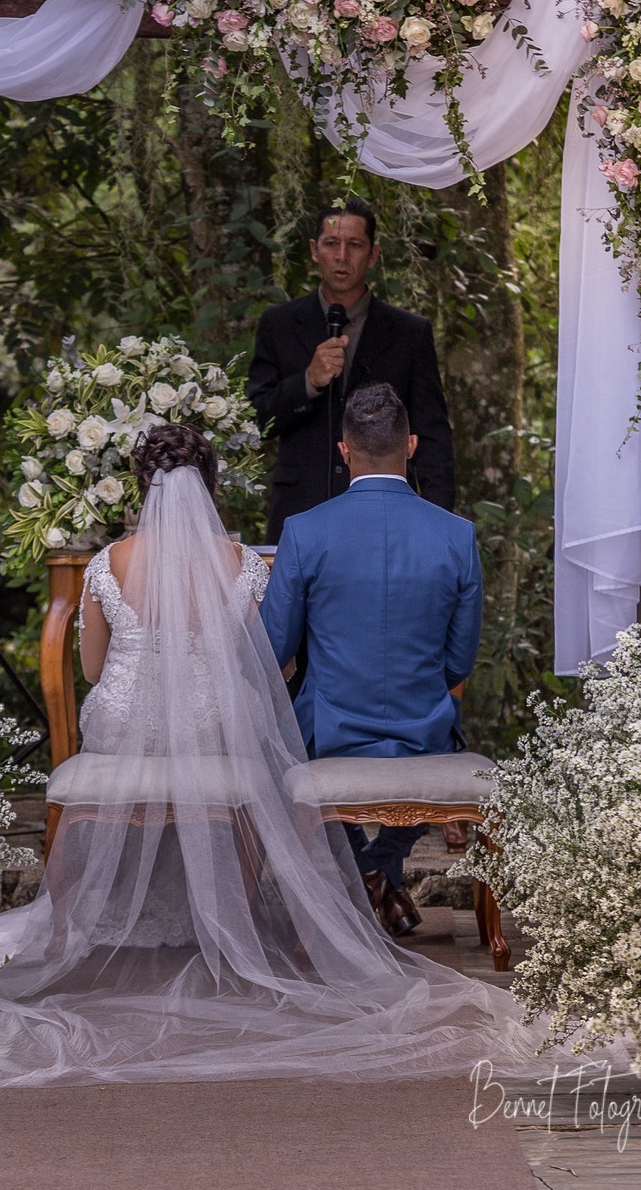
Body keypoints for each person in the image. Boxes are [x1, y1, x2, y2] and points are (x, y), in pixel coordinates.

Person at [0, 423, 550, 1089]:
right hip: (217, 724)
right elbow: (265, 662)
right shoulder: (243, 563)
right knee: (257, 751)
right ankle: (238, 926)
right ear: (210, 487)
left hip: (122, 726)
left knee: (115, 708)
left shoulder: (107, 562)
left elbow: (92, 668)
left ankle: (79, 926)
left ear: (140, 484)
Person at [259, 384, 483, 936]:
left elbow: (272, 649)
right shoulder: (457, 536)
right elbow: (460, 659)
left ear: (344, 451)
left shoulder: (305, 531)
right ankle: (384, 873)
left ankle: (368, 870)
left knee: (278, 753)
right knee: (445, 736)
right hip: (424, 730)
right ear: (410, 446)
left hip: (329, 732)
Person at [247, 195, 454, 544]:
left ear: (373, 254)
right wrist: (308, 382)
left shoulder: (408, 332)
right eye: (331, 244)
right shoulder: (279, 324)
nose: (342, 256)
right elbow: (256, 420)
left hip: (386, 520)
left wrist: (437, 525)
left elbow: (432, 438)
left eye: (354, 245)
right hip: (301, 513)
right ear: (314, 250)